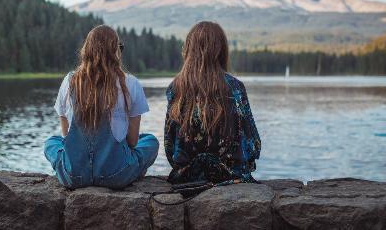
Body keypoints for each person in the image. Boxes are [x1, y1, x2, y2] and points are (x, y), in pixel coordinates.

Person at [44, 25, 159, 189]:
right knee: (150, 141)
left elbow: (66, 136)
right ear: (116, 51)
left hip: (74, 176)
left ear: (86, 50)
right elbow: (133, 142)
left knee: (52, 142)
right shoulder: (131, 83)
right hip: (116, 175)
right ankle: (134, 170)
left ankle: (67, 170)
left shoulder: (70, 81)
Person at [164, 21, 261, 184]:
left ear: (189, 49)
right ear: (221, 50)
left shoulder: (175, 87)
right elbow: (253, 144)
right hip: (230, 176)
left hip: (186, 177)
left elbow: (169, 145)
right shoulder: (235, 87)